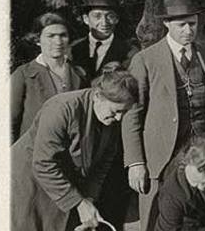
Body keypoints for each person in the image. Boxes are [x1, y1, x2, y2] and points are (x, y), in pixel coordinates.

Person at [122, 0, 205, 231]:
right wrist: (135, 162)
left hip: (202, 156)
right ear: (167, 24)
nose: (188, 30)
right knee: (157, 220)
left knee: (202, 220)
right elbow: (132, 115)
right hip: (161, 159)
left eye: (192, 23)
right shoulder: (145, 60)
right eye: (181, 25)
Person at [11, 70, 139, 231]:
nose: (119, 119)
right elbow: (43, 163)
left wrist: (89, 198)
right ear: (97, 96)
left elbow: (102, 165)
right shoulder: (61, 109)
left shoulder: (110, 120)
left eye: (124, 112)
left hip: (61, 184)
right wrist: (79, 203)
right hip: (28, 182)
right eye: (116, 111)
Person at [12, 12, 88, 143]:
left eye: (63, 35)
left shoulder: (80, 74)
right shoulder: (23, 74)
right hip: (32, 152)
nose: (58, 41)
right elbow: (7, 122)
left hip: (69, 154)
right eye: (51, 36)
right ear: (37, 40)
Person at [70, 0, 139, 79]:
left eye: (110, 16)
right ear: (86, 19)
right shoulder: (73, 49)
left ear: (117, 19)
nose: (104, 22)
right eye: (97, 16)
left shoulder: (129, 52)